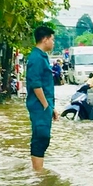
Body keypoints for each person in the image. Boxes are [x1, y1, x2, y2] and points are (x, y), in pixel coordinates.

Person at [26, 26, 58, 171]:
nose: (53, 42)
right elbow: (36, 84)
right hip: (39, 105)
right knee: (41, 136)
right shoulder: (36, 58)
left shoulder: (42, 56)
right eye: (52, 39)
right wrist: (46, 105)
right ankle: (37, 173)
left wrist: (51, 108)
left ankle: (38, 171)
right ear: (45, 39)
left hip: (45, 105)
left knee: (44, 137)